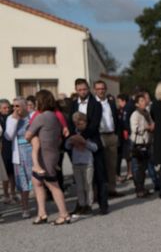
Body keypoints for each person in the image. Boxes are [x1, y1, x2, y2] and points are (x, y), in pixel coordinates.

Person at [26, 89, 70, 225]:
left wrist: (33, 138)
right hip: (50, 153)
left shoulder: (42, 117)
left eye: (37, 100)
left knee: (53, 185)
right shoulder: (54, 116)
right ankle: (42, 213)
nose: (36, 103)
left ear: (41, 101)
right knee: (37, 182)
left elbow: (27, 135)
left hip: (45, 156)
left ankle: (64, 214)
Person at [70, 78, 110, 215]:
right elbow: (70, 123)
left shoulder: (96, 104)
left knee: (99, 175)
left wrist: (82, 138)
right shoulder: (73, 104)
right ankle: (81, 205)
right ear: (76, 90)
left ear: (88, 89)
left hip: (92, 141)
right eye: (79, 89)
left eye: (84, 89)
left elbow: (94, 124)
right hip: (76, 143)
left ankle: (103, 205)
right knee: (80, 178)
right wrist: (74, 139)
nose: (82, 92)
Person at [3, 97, 33, 219]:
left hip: (32, 150)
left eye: (18, 106)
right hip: (19, 152)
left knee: (36, 179)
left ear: (25, 106)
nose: (15, 108)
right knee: (22, 181)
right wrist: (15, 119)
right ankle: (25, 207)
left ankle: (41, 205)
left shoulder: (31, 116)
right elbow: (8, 136)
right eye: (13, 106)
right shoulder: (11, 118)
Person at [65, 112, 97, 215]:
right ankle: (82, 204)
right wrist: (71, 141)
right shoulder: (73, 132)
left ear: (85, 122)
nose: (78, 124)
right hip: (76, 162)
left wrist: (84, 142)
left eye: (80, 122)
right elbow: (67, 146)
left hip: (87, 162)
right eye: (76, 123)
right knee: (79, 186)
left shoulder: (90, 133)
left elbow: (95, 147)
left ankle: (89, 204)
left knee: (88, 185)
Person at [94, 80, 121, 197]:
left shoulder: (110, 102)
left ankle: (111, 189)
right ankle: (97, 192)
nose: (101, 91)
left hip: (111, 135)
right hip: (99, 136)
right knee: (98, 165)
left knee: (112, 164)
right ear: (95, 90)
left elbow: (115, 117)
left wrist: (117, 135)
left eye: (102, 88)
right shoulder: (93, 103)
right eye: (98, 89)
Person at [129, 93, 154, 198]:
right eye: (142, 101)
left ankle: (142, 187)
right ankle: (138, 189)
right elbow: (135, 129)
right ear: (137, 104)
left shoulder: (146, 113)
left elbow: (152, 123)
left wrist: (152, 127)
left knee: (143, 168)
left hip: (146, 143)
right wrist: (147, 127)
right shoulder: (135, 114)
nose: (144, 103)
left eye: (145, 100)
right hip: (138, 144)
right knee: (137, 168)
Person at [1, 99, 18, 205]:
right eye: (4, 108)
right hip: (2, 149)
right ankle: (6, 194)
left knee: (13, 173)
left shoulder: (11, 117)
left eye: (8, 107)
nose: (7, 109)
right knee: (5, 173)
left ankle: (13, 193)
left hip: (12, 147)